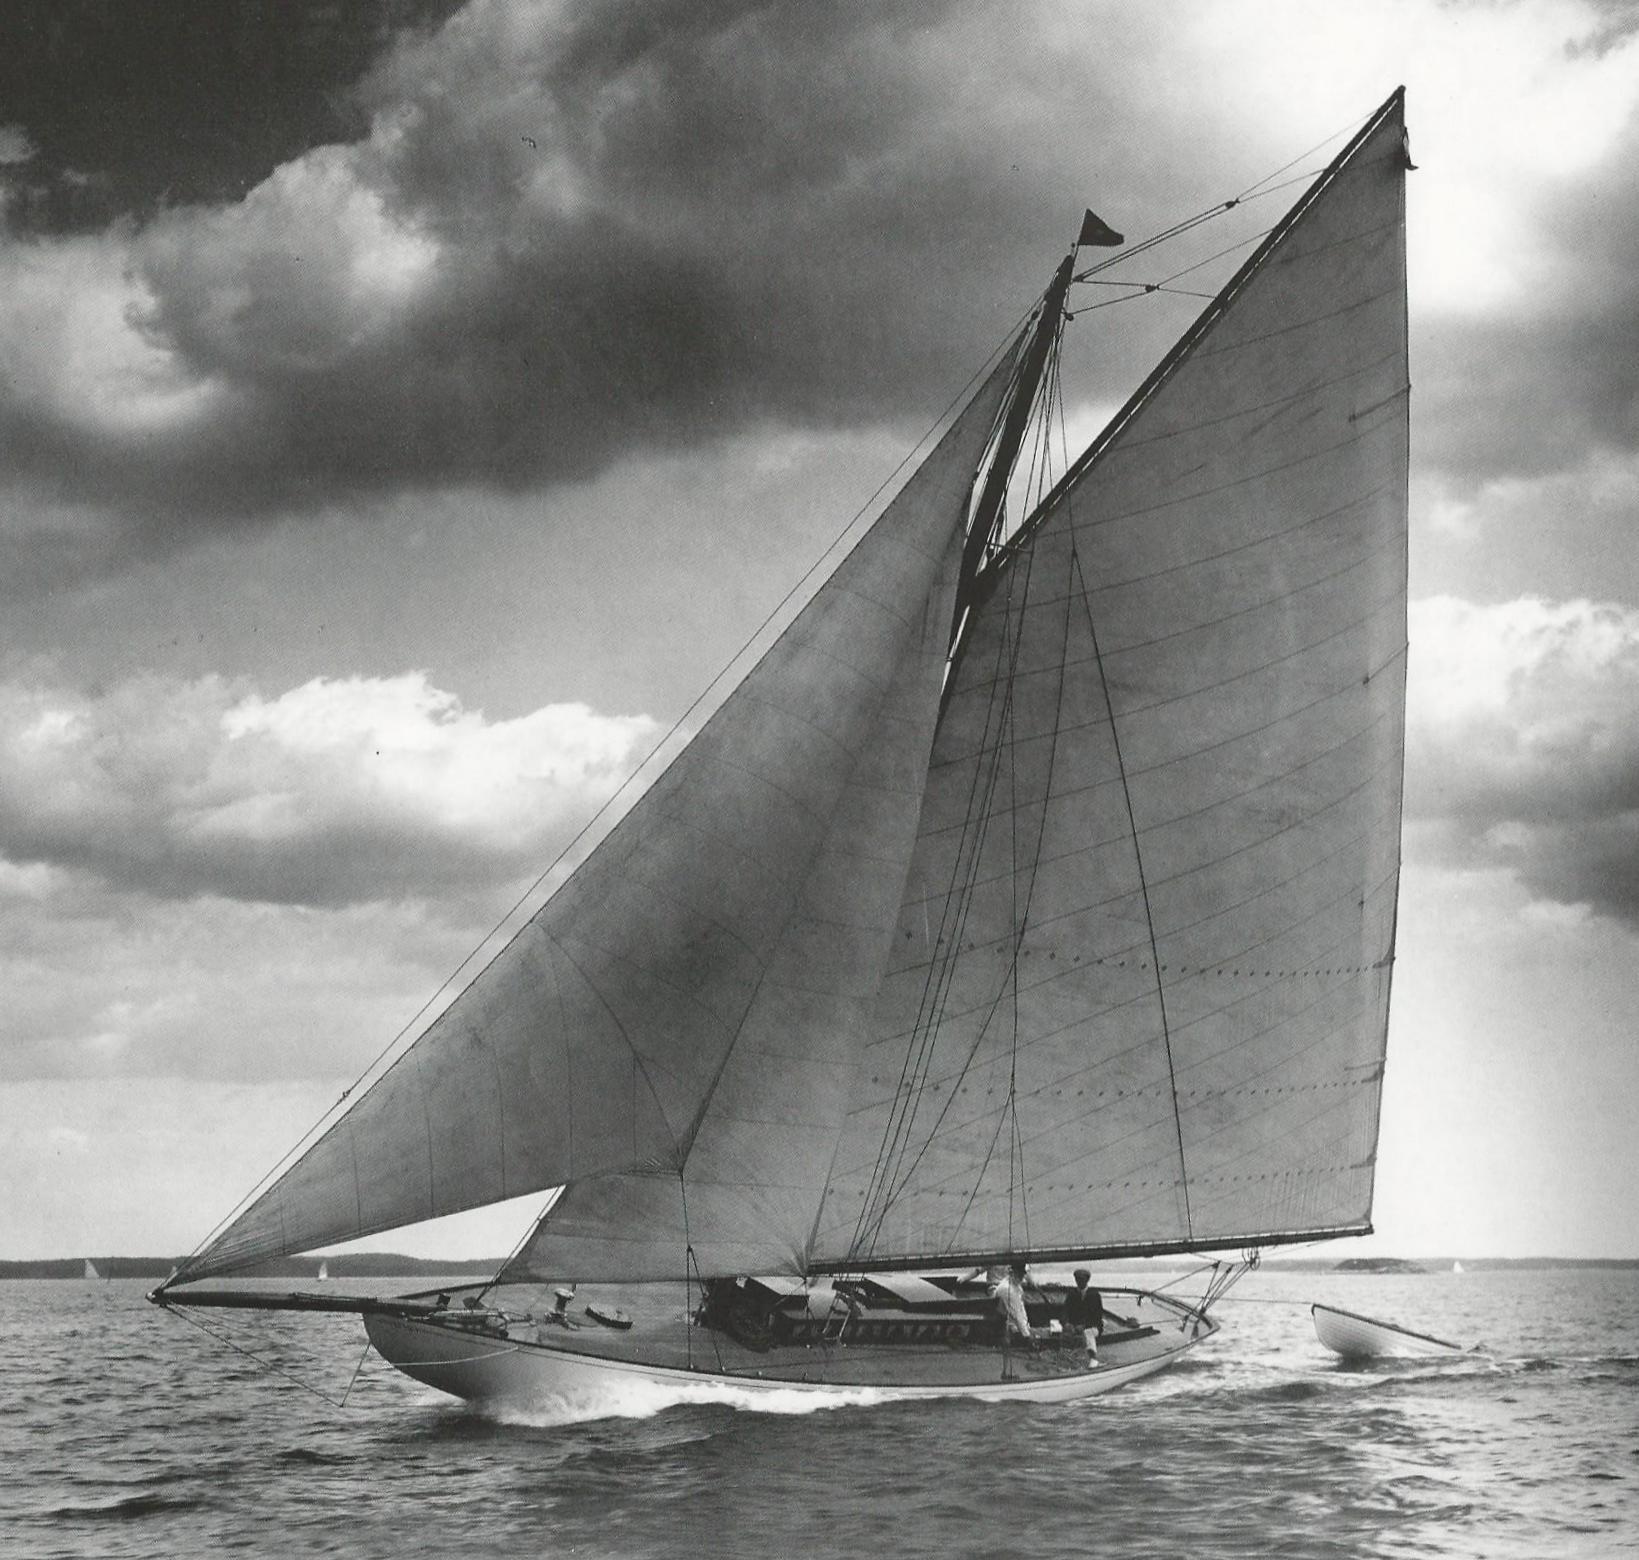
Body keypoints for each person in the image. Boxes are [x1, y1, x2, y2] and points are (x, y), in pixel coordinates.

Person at [987, 1259, 1036, 1349]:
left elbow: (1021, 1309)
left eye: (1022, 1274)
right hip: (1004, 1328)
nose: (1021, 1277)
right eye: (1019, 1274)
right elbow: (1016, 1315)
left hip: (1014, 1325)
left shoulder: (1016, 1286)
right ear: (1012, 1272)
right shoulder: (1007, 1289)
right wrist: (1027, 1335)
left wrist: (1027, 1327)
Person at [1062, 1267, 1105, 1364]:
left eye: (1082, 1280)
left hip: (1093, 1327)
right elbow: (1064, 1311)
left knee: (1088, 1333)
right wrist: (1066, 1323)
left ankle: (1093, 1358)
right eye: (1077, 1280)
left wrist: (1084, 1326)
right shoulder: (1072, 1294)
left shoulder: (1094, 1295)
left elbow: (1097, 1317)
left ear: (1087, 1280)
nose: (1079, 1282)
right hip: (1074, 1326)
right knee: (1066, 1335)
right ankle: (1069, 1358)